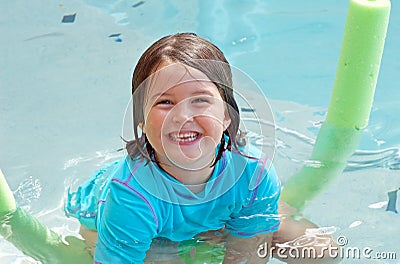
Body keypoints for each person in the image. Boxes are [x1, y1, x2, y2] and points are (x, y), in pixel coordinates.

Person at [65, 33, 338, 263]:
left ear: (226, 116)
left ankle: (225, 220)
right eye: (165, 103)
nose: (182, 116)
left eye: (199, 100)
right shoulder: (129, 196)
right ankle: (212, 225)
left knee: (322, 252)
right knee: (164, 256)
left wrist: (246, 237)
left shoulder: (252, 173)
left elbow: (247, 258)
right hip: (106, 218)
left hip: (221, 205)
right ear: (141, 121)